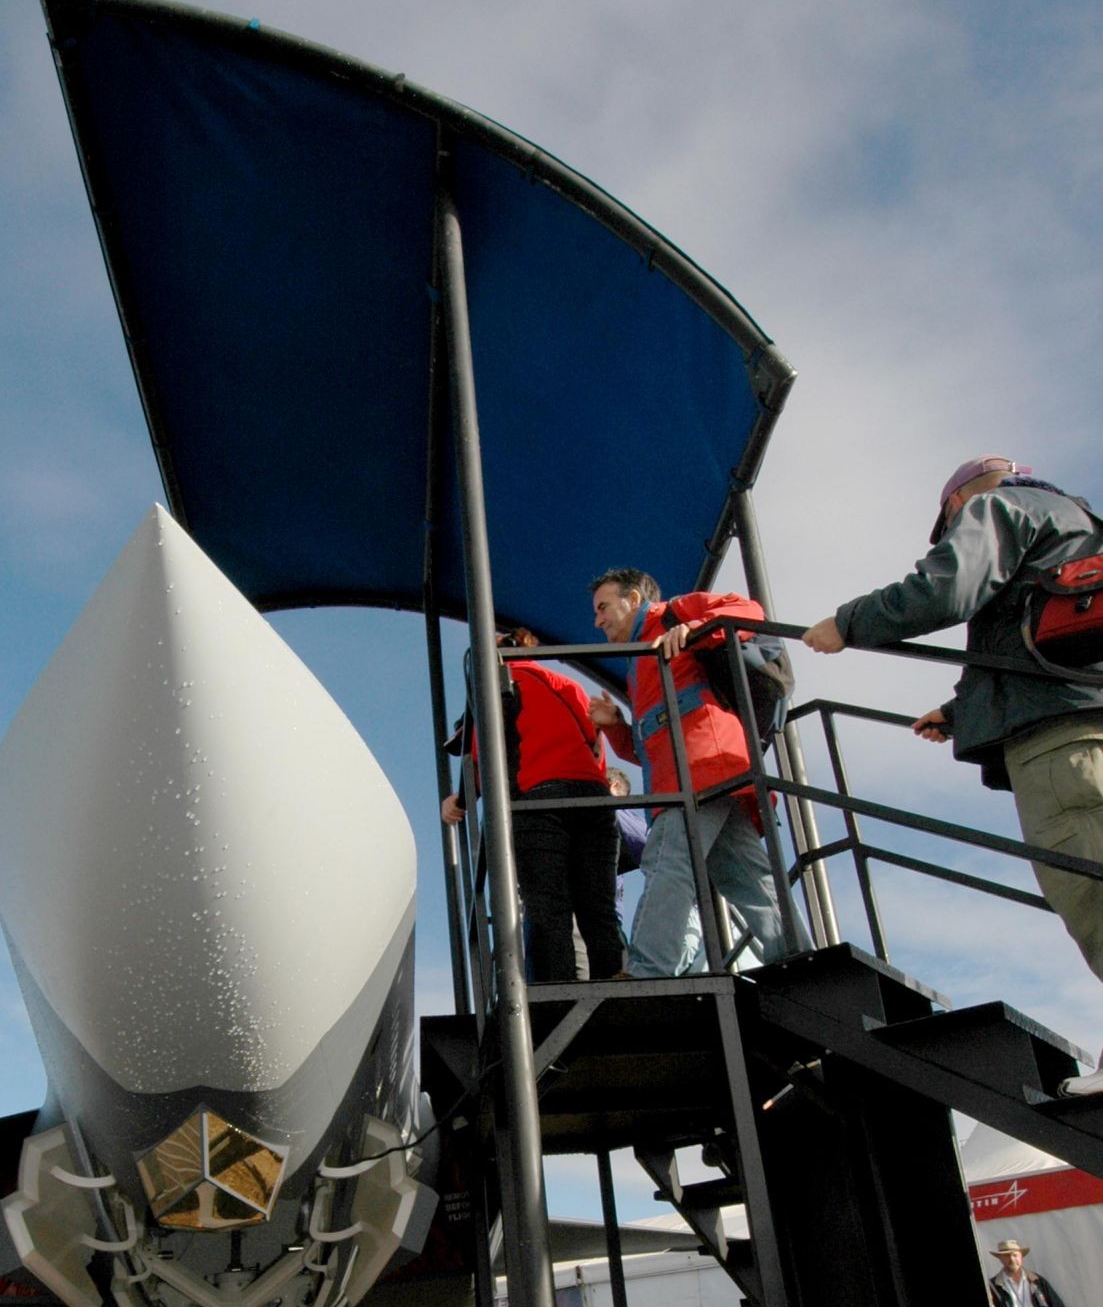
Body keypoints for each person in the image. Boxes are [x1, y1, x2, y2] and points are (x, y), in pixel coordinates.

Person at [803, 456, 1103, 1094]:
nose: (952, 530)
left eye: (948, 522)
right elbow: (1039, 631)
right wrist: (964, 711)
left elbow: (948, 587)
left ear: (958, 499)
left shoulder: (996, 507)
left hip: (1060, 744)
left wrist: (847, 623)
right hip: (1085, 723)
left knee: (1087, 882)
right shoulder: (1076, 519)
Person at [587, 568, 809, 977]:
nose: (597, 620)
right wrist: (617, 724)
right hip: (705, 769)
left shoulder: (672, 613)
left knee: (667, 863)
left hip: (700, 769)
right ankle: (802, 960)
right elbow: (652, 747)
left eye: (603, 607)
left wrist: (693, 627)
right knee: (748, 878)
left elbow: (748, 611)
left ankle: (647, 971)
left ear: (634, 599)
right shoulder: (641, 660)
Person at [441, 629, 622, 984]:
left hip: (538, 801)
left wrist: (458, 802)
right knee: (598, 907)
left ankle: (560, 994)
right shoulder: (567, 685)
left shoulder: (496, 687)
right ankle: (614, 983)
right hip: (595, 800)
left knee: (547, 907)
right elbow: (595, 748)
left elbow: (483, 760)